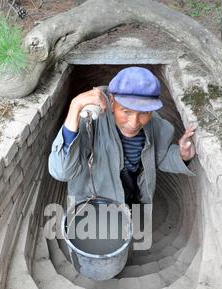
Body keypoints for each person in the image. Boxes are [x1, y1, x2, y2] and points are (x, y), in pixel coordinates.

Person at [48, 66, 196, 206]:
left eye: (144, 112)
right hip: (92, 205)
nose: (134, 123)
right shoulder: (91, 121)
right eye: (126, 112)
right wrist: (75, 106)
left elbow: (160, 156)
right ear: (111, 101)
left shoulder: (154, 124)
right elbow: (62, 172)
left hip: (132, 198)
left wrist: (181, 155)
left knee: (131, 232)